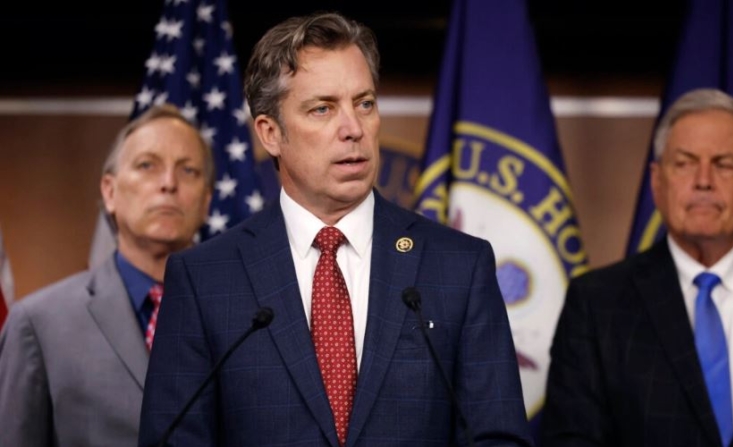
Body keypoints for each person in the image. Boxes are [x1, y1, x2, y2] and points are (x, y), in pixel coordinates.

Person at [138, 11, 533, 447]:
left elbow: (499, 438)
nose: (353, 129)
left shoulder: (459, 267)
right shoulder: (205, 279)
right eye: (323, 108)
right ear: (270, 133)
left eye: (364, 103)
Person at [542, 88, 733, 447]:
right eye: (685, 163)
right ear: (657, 183)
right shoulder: (596, 305)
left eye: (723, 164)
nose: (703, 180)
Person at [0, 104, 213, 447]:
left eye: (188, 170)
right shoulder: (38, 323)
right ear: (110, 192)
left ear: (206, 202)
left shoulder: (246, 318)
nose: (168, 184)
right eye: (147, 165)